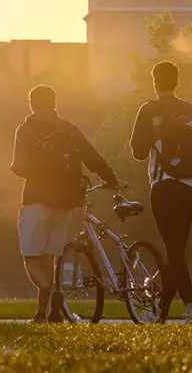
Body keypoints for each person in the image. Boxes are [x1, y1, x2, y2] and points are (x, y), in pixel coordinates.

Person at [11, 85, 124, 323]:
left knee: (31, 258)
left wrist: (39, 171)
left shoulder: (25, 130)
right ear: (54, 103)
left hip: (36, 202)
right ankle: (45, 313)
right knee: (50, 258)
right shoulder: (69, 129)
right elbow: (92, 157)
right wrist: (112, 180)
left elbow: (19, 166)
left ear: (31, 104)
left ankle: (54, 297)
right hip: (64, 203)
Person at [129, 61, 192, 325]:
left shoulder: (149, 110)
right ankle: (160, 314)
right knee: (176, 250)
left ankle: (191, 308)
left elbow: (138, 152)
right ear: (177, 81)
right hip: (191, 189)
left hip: (163, 186)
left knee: (173, 250)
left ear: (154, 82)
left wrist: (156, 138)